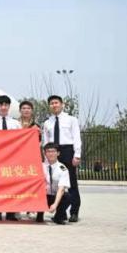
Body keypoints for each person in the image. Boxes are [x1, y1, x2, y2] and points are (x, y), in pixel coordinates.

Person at [42, 95, 82, 223]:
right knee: (53, 182)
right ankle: (61, 212)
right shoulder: (47, 123)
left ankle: (74, 212)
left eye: (56, 103)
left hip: (67, 151)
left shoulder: (71, 119)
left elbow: (76, 137)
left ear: (62, 104)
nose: (54, 105)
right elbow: (46, 141)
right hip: (52, 151)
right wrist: (46, 156)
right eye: (52, 103)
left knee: (71, 183)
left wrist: (77, 155)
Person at [0, 95, 21, 221]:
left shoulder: (16, 123)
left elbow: (22, 140)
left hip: (12, 159)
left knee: (11, 186)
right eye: (1, 105)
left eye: (5, 105)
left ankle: (10, 212)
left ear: (9, 106)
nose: (3, 107)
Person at [41, 143, 71, 225]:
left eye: (53, 151)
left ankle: (58, 217)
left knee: (67, 196)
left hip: (56, 196)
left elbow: (61, 189)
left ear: (58, 153)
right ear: (45, 153)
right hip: (43, 196)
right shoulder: (40, 166)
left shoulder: (63, 169)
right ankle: (39, 215)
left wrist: (55, 205)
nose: (51, 154)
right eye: (48, 151)